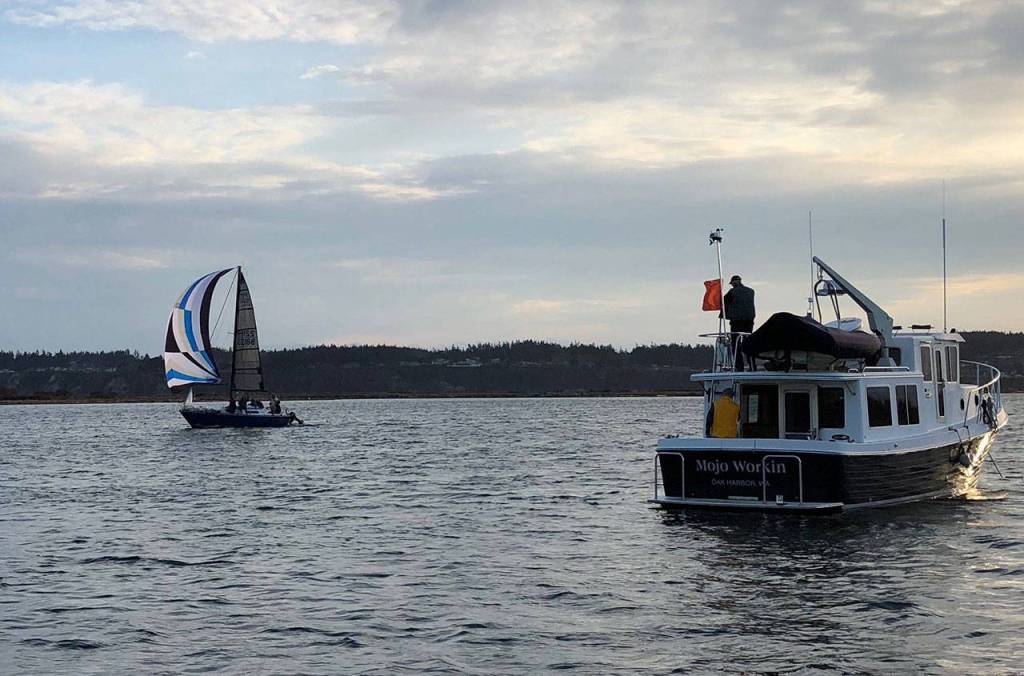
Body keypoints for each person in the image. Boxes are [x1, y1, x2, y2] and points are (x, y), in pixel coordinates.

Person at [724, 274, 755, 370]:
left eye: (732, 283)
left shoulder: (732, 292)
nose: (732, 285)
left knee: (735, 345)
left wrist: (724, 315)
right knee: (749, 343)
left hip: (736, 322)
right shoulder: (751, 291)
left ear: (734, 282)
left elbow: (724, 302)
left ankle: (739, 367)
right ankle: (752, 366)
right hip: (749, 322)